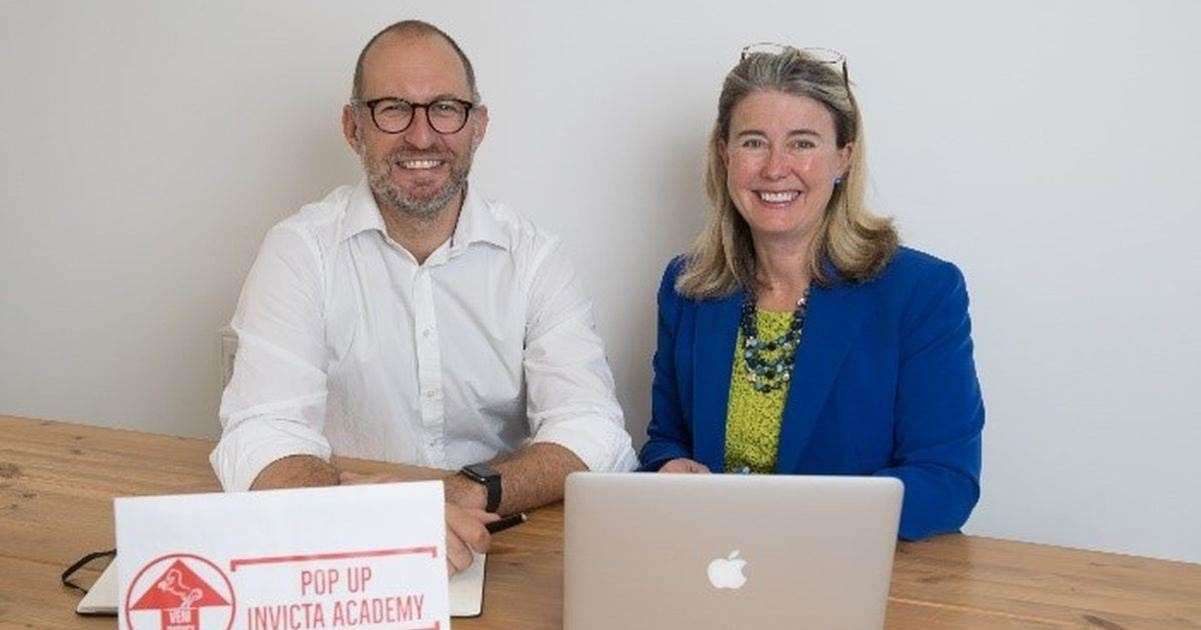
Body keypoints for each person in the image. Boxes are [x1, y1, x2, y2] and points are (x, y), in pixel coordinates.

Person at [211, 20, 637, 573]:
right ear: (353, 126)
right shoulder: (300, 251)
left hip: (489, 537)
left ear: (477, 125)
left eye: (445, 108)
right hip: (341, 542)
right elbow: (262, 431)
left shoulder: (535, 259)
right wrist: (371, 514)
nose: (421, 136)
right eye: (393, 108)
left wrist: (467, 491)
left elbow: (595, 430)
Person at [638, 44, 983, 540]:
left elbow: (945, 483)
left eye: (802, 143)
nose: (775, 168)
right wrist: (667, 469)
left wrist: (792, 525)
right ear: (724, 154)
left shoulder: (921, 292)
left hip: (847, 572)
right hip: (712, 563)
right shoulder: (687, 286)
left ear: (843, 157)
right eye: (754, 142)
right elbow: (667, 441)